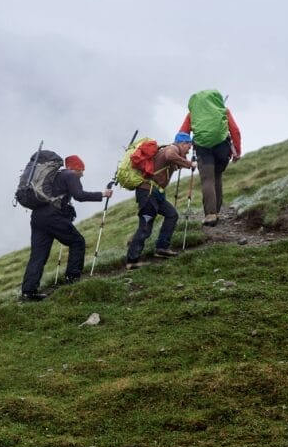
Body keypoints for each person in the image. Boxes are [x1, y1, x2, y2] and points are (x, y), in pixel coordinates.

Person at [19, 156, 112, 301]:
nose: (82, 174)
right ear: (76, 168)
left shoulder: (55, 175)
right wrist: (102, 194)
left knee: (38, 255)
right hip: (52, 217)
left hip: (37, 217)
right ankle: (72, 278)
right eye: (82, 170)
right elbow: (79, 196)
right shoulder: (70, 175)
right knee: (77, 242)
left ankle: (28, 292)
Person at [125, 133, 196, 269]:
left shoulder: (171, 151)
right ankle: (132, 261)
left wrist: (185, 162)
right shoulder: (172, 149)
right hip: (148, 192)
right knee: (145, 227)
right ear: (183, 143)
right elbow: (170, 156)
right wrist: (189, 164)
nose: (189, 149)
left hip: (156, 193)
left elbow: (169, 162)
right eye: (189, 146)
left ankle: (162, 248)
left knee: (172, 214)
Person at [178, 90, 242, 226]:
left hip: (203, 149)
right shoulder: (223, 110)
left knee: (208, 180)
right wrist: (237, 151)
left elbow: (182, 133)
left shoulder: (192, 114)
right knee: (217, 177)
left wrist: (180, 154)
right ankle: (217, 211)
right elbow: (235, 131)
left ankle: (210, 214)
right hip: (222, 148)